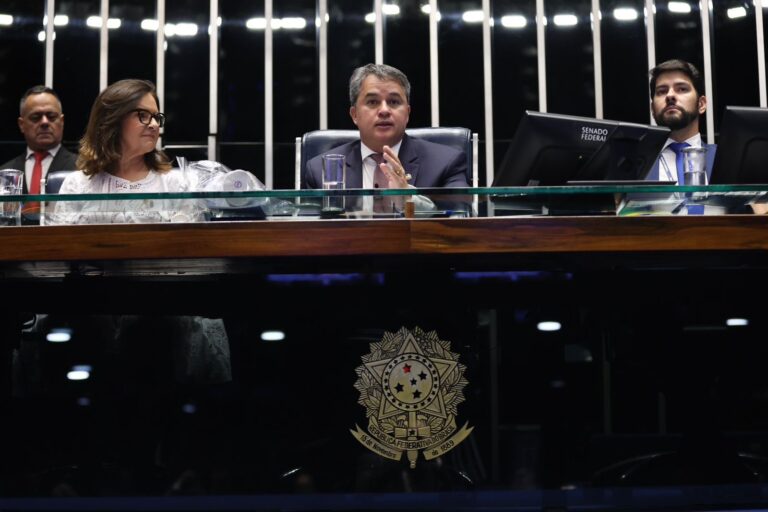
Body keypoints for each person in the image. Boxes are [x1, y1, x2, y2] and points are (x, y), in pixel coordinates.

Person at [302, 64, 469, 194]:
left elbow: (460, 216)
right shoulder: (319, 170)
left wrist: (410, 200)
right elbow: (307, 225)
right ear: (355, 115)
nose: (384, 110)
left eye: (394, 102)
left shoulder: (446, 163)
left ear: (407, 113)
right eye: (372, 102)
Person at [51, 79, 200, 224]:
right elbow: (61, 240)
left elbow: (189, 239)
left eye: (156, 117)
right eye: (143, 115)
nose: (154, 125)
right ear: (113, 121)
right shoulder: (77, 185)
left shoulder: (175, 185)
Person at [0, 85, 78, 223]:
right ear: (21, 124)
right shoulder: (4, 172)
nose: (44, 122)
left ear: (62, 121)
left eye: (51, 116)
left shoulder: (82, 168)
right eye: (36, 117)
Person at [647, 59, 716, 183]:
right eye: (662, 91)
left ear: (701, 104)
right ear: (652, 109)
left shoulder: (726, 157)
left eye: (682, 89)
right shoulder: (634, 164)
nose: (670, 95)